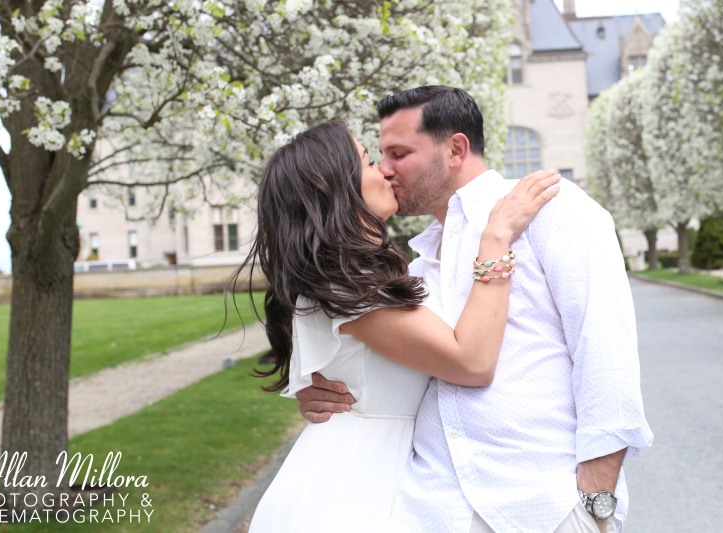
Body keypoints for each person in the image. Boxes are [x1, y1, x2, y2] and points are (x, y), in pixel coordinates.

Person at [296, 86, 654, 533]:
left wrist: (594, 503)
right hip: (431, 506)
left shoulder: (554, 210)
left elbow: (606, 358)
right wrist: (331, 393)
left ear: (455, 149)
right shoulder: (416, 266)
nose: (385, 170)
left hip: (543, 506)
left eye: (399, 153)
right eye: (378, 155)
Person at [233, 120, 560, 532]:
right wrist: (496, 240)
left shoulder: (359, 277)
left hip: (383, 473)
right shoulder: (347, 285)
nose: (385, 170)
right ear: (337, 188)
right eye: (369, 161)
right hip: (348, 492)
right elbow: (472, 363)